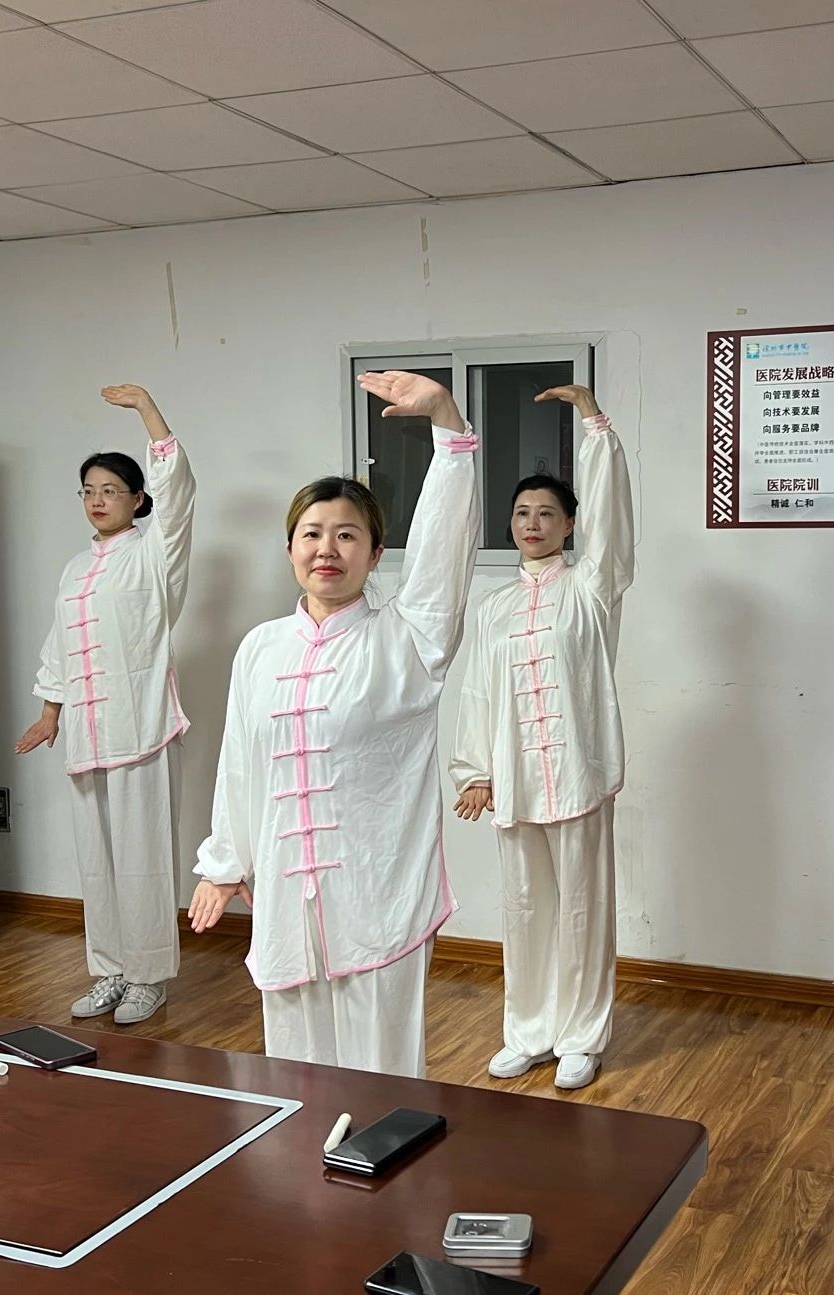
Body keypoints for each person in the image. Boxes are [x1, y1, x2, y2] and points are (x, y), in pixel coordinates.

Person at [188, 371, 479, 1079]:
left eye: (347, 535)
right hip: (286, 895)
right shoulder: (260, 648)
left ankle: (387, 1152)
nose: (327, 548)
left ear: (375, 554)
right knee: (296, 1068)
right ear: (290, 547)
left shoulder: (408, 641)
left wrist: (447, 426)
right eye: (312, 533)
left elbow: (443, 551)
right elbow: (240, 762)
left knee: (380, 1074)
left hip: (378, 893)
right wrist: (226, 864)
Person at [450, 383, 634, 1091]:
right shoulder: (494, 607)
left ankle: (582, 1036)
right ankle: (528, 1031)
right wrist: (476, 769)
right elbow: (476, 690)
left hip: (578, 773)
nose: (533, 523)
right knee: (526, 909)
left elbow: (613, 519)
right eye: (523, 513)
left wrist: (592, 425)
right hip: (516, 778)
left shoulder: (591, 588)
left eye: (547, 513)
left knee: (583, 909)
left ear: (570, 524)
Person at [17, 385, 196, 1027]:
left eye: (111, 490)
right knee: (96, 862)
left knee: (143, 861)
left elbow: (179, 490)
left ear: (138, 499)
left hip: (140, 728)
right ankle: (111, 971)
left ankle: (149, 978)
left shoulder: (155, 552)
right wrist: (50, 712)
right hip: (86, 735)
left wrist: (148, 409)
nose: (97, 500)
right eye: (88, 491)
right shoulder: (74, 569)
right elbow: (59, 643)